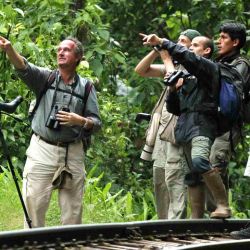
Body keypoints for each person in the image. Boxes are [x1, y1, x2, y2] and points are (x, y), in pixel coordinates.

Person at [0, 36, 101, 228]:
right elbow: (24, 68)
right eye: (59, 49)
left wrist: (80, 120)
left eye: (67, 50)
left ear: (78, 57)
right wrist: (9, 50)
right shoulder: (46, 78)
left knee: (73, 211)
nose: (61, 52)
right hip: (42, 148)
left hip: (73, 152)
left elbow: (96, 123)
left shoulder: (86, 87)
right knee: (34, 206)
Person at [140, 29, 236, 218]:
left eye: (195, 45)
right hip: (183, 127)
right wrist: (173, 90)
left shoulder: (209, 68)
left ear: (206, 51)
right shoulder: (186, 76)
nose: (190, 48)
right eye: (190, 46)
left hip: (202, 124)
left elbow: (186, 56)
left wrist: (163, 42)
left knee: (200, 160)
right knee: (192, 175)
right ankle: (196, 219)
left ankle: (223, 204)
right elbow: (175, 108)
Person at [135, 29, 200, 219]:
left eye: (184, 41)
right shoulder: (174, 64)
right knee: (160, 179)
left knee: (175, 179)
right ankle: (163, 224)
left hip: (178, 135)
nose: (178, 43)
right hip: (163, 134)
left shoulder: (194, 67)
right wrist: (157, 50)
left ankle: (176, 224)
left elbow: (174, 81)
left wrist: (165, 57)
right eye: (177, 40)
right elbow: (141, 70)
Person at [187, 22, 249, 218]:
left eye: (223, 37)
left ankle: (219, 214)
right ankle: (201, 218)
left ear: (236, 42)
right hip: (209, 123)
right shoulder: (218, 62)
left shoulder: (241, 64)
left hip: (227, 126)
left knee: (215, 163)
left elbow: (229, 87)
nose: (218, 41)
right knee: (199, 166)